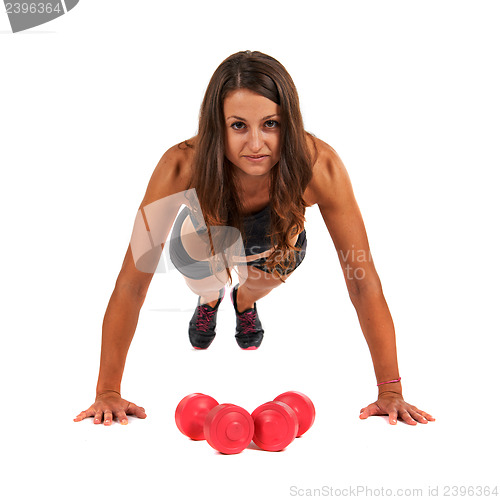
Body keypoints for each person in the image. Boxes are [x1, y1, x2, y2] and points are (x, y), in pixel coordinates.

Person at [74, 50, 435, 427]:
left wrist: (390, 389)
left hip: (275, 247)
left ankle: (243, 302)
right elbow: (133, 281)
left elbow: (362, 280)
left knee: (252, 285)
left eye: (271, 124)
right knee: (208, 271)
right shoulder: (180, 164)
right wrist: (107, 391)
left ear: (288, 122)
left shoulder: (319, 166)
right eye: (239, 126)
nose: (257, 144)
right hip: (206, 245)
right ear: (218, 125)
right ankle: (210, 295)